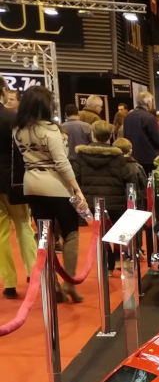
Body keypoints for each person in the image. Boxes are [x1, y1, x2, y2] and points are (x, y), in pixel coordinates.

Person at [14, 85, 89, 303]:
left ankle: (53, 284)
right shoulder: (51, 130)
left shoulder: (18, 130)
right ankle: (69, 283)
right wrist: (77, 189)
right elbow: (62, 163)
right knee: (71, 232)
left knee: (44, 235)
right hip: (56, 186)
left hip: (31, 185)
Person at [74, 121, 134, 272]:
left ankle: (108, 264)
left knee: (101, 233)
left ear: (92, 134)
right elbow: (128, 178)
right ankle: (119, 259)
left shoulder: (81, 156)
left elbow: (76, 177)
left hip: (92, 201)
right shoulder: (118, 157)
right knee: (119, 231)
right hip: (116, 201)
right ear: (110, 135)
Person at [0, 80, 36, 299]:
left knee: (1, 234)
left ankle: (9, 283)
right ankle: (33, 272)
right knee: (24, 226)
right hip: (13, 182)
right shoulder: (12, 118)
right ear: (3, 90)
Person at [123, 91, 159, 176]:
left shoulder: (127, 117)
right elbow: (158, 141)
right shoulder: (149, 117)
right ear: (148, 102)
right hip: (148, 161)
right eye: (152, 101)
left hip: (131, 158)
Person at [112, 137, 148, 206]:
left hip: (116, 203)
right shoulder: (137, 167)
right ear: (130, 151)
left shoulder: (111, 166)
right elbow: (144, 186)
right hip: (134, 202)